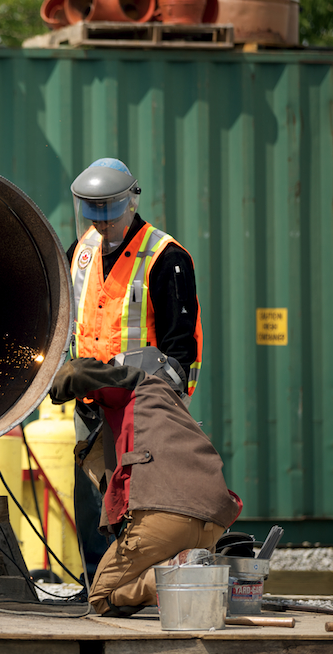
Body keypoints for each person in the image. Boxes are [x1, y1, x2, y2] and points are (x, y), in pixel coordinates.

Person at [65, 157, 205, 589]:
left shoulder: (167, 258)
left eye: (109, 211)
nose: (102, 223)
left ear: (131, 202)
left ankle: (138, 593)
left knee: (139, 507)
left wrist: (149, 393)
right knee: (92, 506)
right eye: (93, 212)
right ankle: (97, 592)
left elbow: (181, 350)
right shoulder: (80, 254)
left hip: (145, 408)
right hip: (91, 409)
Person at [48, 351, 241, 617]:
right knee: (148, 565)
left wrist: (49, 386)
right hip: (213, 526)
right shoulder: (176, 415)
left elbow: (75, 372)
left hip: (165, 520)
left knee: (101, 597)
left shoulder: (140, 383)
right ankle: (191, 572)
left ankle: (177, 576)